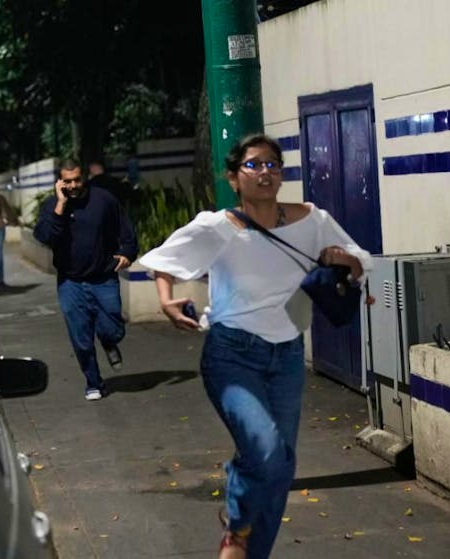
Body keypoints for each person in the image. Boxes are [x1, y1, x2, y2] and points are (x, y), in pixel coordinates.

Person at [139, 134, 372, 559]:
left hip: (285, 357)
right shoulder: (218, 227)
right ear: (233, 177)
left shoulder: (312, 220)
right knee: (264, 453)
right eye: (254, 165)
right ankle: (235, 510)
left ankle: (245, 548)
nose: (266, 172)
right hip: (231, 355)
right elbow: (161, 259)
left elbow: (360, 259)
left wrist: (346, 260)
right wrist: (166, 301)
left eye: (273, 165)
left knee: (280, 468)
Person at [34, 159, 138, 401]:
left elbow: (126, 231)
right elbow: (45, 237)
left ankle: (108, 341)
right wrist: (60, 205)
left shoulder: (104, 200)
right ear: (59, 182)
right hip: (70, 283)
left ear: (84, 178)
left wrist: (128, 252)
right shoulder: (52, 206)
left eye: (77, 180)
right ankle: (93, 382)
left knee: (112, 329)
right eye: (67, 181)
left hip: (104, 278)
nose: (73, 185)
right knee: (80, 338)